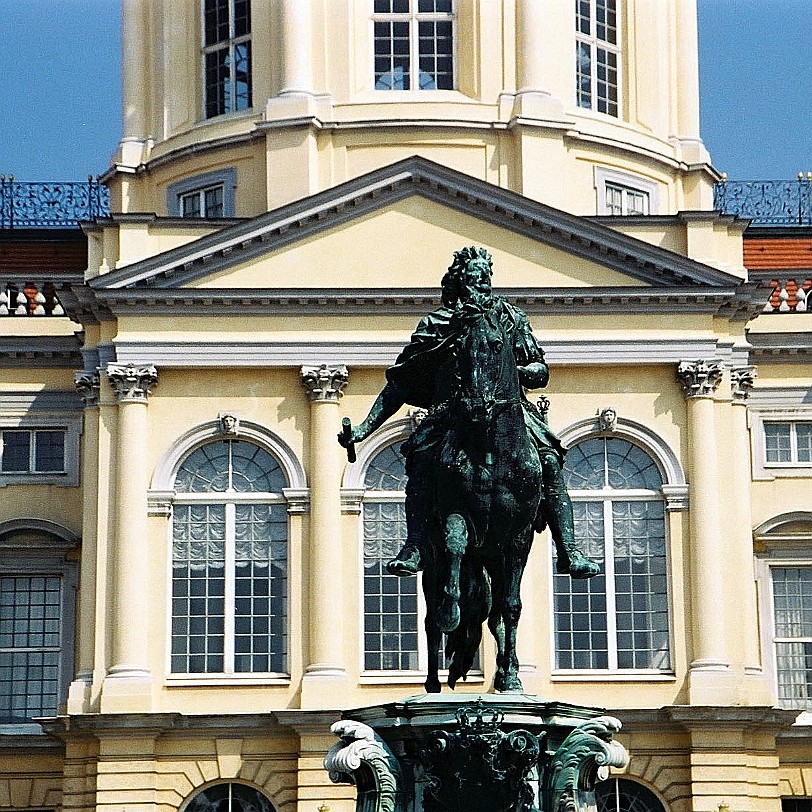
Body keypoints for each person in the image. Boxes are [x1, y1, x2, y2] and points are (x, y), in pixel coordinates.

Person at [339, 246, 599, 580]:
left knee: (548, 459)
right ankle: (415, 543)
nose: (481, 284)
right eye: (474, 279)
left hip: (510, 410)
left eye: (486, 278)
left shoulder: (510, 318)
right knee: (421, 456)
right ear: (459, 283)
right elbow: (401, 384)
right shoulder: (438, 324)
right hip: (449, 412)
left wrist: (505, 371)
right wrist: (364, 428)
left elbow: (539, 370)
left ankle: (568, 550)